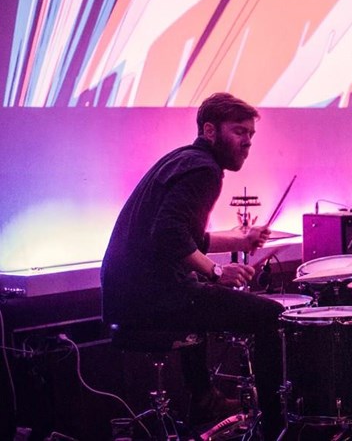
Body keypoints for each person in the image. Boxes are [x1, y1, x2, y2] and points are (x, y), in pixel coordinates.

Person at [101, 93, 284, 438]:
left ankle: (204, 398)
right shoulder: (204, 170)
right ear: (210, 131)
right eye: (239, 131)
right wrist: (217, 271)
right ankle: (276, 428)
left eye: (251, 134)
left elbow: (185, 236)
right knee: (271, 315)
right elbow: (168, 235)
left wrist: (241, 240)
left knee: (199, 293)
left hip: (126, 294)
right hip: (149, 297)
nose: (247, 142)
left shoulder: (183, 159)